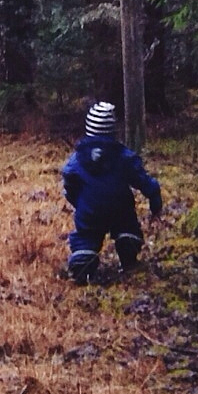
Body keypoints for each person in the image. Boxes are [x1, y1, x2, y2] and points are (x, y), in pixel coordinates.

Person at [62, 100, 162, 283]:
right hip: (119, 206)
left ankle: (84, 260)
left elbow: (68, 179)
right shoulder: (123, 156)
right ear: (112, 130)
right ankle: (127, 245)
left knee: (87, 234)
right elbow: (142, 179)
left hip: (89, 208)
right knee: (126, 224)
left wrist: (77, 200)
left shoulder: (78, 158)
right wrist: (154, 197)